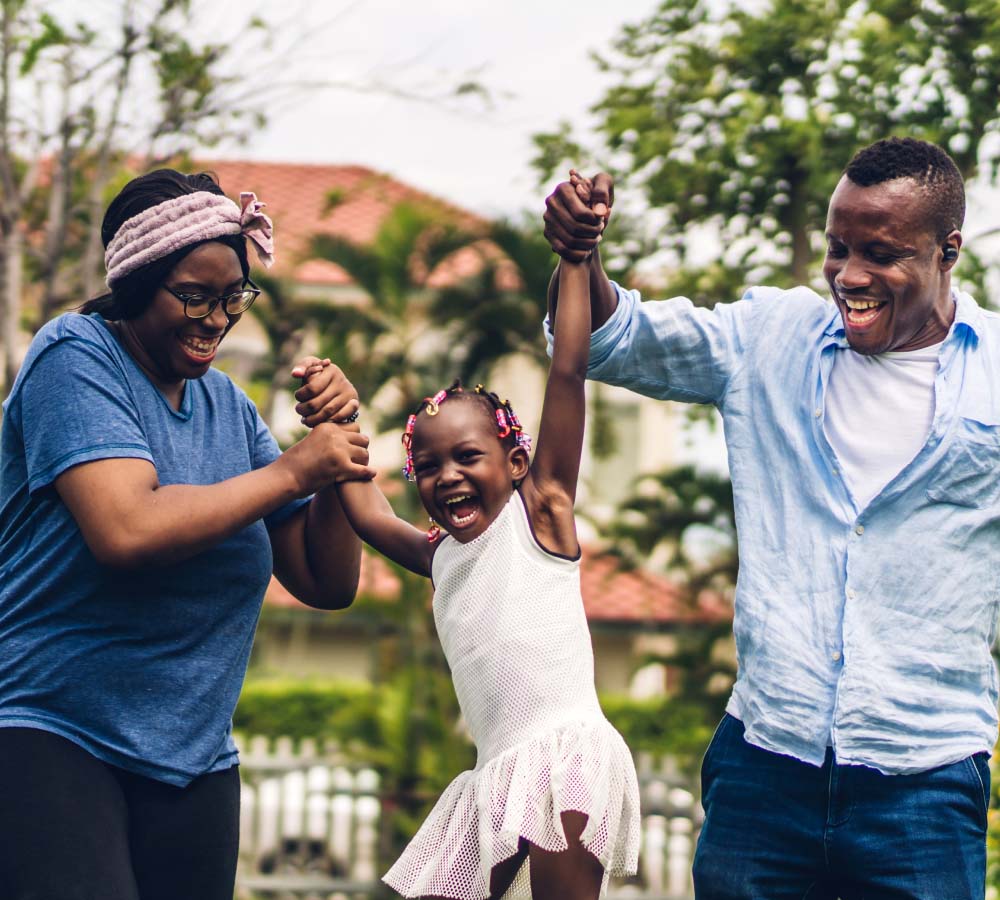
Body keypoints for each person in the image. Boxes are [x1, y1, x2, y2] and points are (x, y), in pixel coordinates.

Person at [543, 137, 995, 899]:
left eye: (879, 254)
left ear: (947, 250)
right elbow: (614, 340)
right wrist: (580, 258)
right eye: (837, 248)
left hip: (925, 779)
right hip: (764, 767)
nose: (849, 276)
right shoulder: (769, 339)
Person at [0, 169, 375, 900]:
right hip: (50, 730)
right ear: (138, 283)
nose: (215, 317)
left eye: (233, 297)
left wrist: (335, 450)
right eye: (194, 296)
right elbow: (127, 529)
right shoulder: (74, 356)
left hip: (195, 762)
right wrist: (295, 471)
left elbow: (325, 581)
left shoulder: (227, 408)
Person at [321, 198, 640, 899]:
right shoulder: (444, 556)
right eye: (428, 466)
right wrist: (338, 425)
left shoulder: (542, 514)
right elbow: (371, 518)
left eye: (468, 456)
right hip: (495, 771)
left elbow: (567, 373)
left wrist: (576, 260)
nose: (447, 476)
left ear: (517, 463)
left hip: (563, 758)